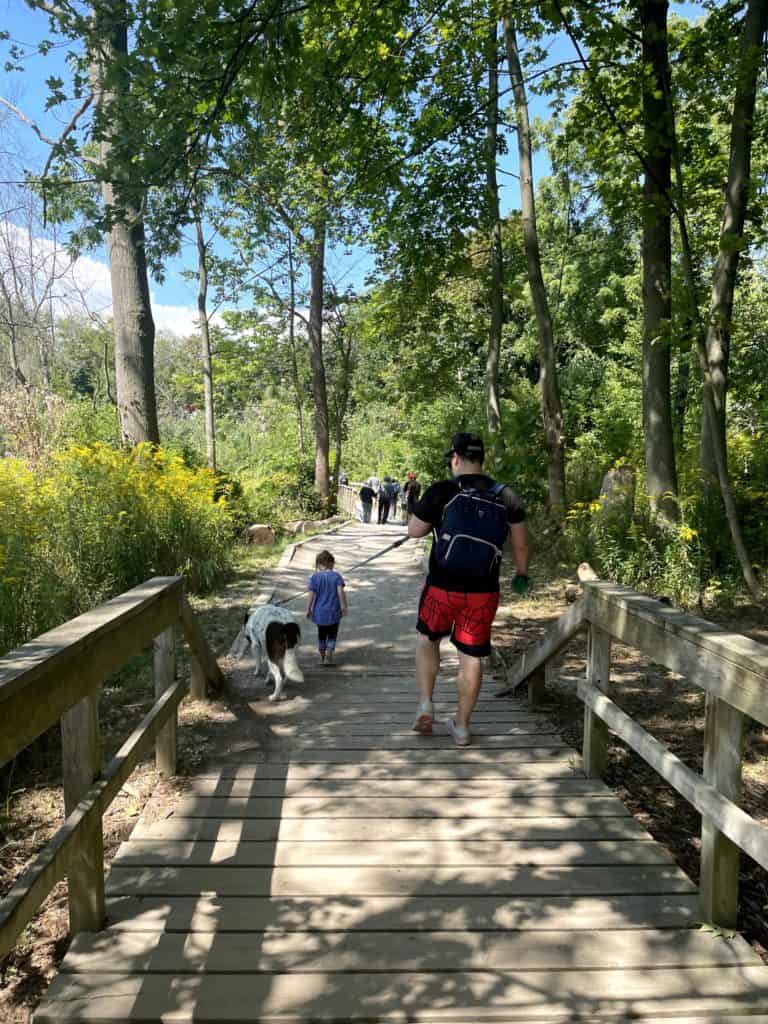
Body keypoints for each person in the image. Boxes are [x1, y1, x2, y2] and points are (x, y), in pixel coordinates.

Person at [407, 432, 530, 746]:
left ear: (455, 459)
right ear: (482, 459)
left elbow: (414, 531)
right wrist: (521, 574)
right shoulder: (507, 496)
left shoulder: (443, 491)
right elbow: (520, 545)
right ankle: (461, 726)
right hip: (483, 592)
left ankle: (425, 703)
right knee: (470, 656)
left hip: (441, 587)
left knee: (427, 639)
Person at [307, 549, 347, 666]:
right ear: (331, 563)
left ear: (318, 564)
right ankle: (329, 653)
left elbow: (311, 594)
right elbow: (340, 592)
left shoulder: (314, 578)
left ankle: (322, 655)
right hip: (334, 611)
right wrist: (343, 606)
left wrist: (308, 609)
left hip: (319, 613)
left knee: (321, 633)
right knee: (332, 633)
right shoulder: (336, 576)